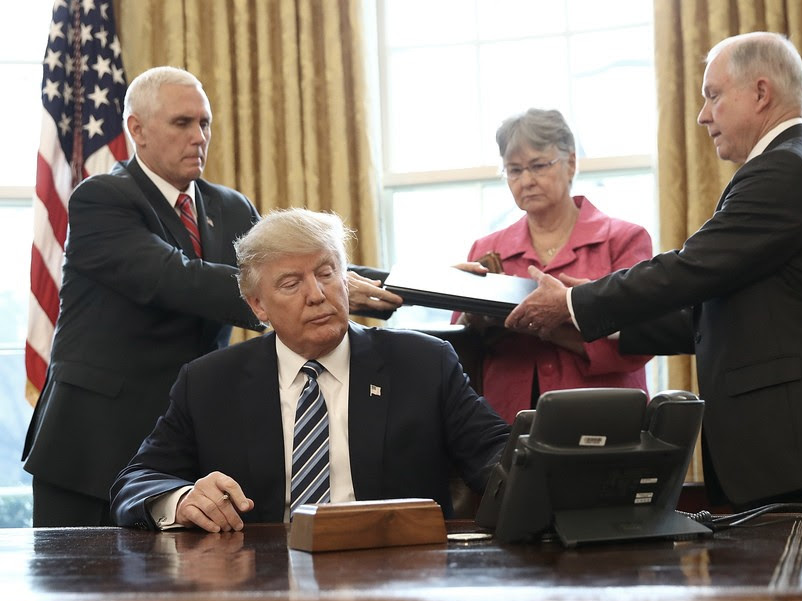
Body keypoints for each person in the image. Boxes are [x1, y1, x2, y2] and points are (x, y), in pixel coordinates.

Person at [506, 32, 802, 601]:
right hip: (797, 455)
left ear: (760, 91)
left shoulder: (784, 170)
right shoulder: (786, 167)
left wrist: (576, 302)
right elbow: (707, 311)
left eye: (713, 97)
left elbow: (690, 268)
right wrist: (589, 332)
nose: (702, 115)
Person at [110, 208, 510, 532]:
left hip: (397, 575)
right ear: (258, 306)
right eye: (290, 283)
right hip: (262, 585)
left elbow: (498, 455)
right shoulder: (209, 383)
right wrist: (182, 500)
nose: (317, 295)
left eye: (326, 272)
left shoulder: (424, 363)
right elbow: (138, 481)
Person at [21, 66, 265, 527]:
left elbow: (289, 265)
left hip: (187, 448)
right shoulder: (101, 198)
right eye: (182, 123)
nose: (199, 137)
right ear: (137, 129)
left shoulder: (231, 207)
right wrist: (310, 289)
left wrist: (394, 284)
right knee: (82, 595)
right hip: (92, 451)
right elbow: (177, 278)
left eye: (205, 123)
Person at [452, 108, 652, 423]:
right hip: (506, 421)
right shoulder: (487, 248)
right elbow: (460, 352)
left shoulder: (623, 239)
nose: (526, 180)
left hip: (603, 418)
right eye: (514, 170)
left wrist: (547, 327)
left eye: (538, 166)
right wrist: (469, 314)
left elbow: (640, 341)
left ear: (571, 163)